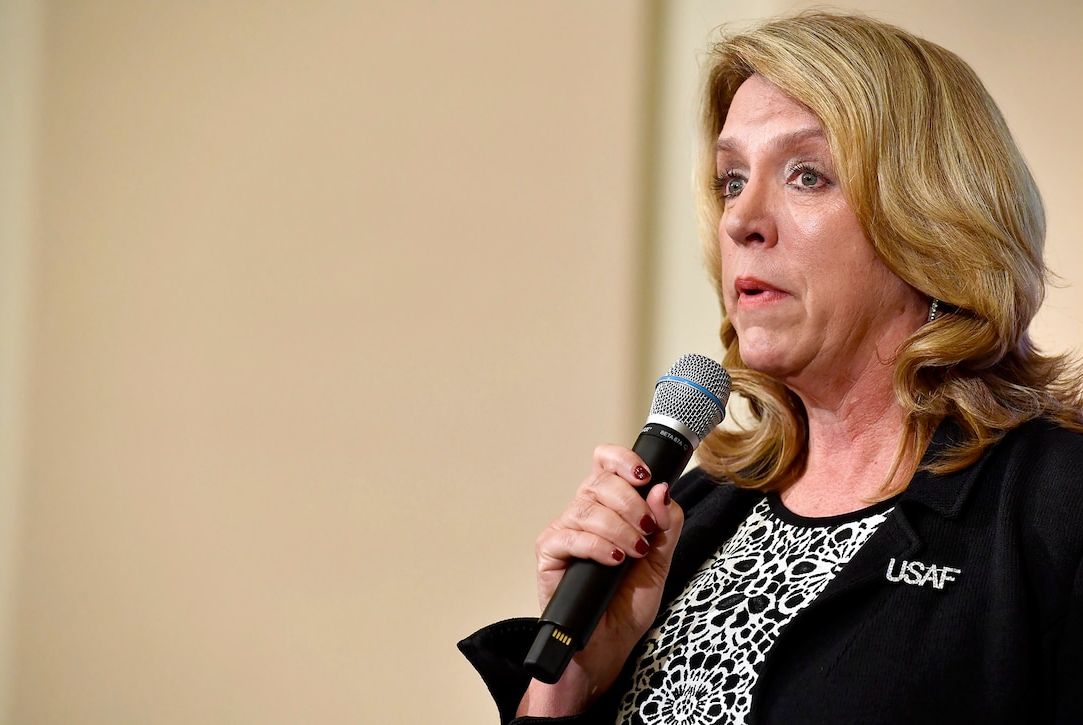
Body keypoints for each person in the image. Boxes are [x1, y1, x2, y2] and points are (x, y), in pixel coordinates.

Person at [459, 11, 1083, 723]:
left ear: (933, 219)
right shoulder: (688, 518)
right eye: (731, 180)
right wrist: (569, 685)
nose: (741, 219)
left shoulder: (1052, 511)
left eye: (807, 174)